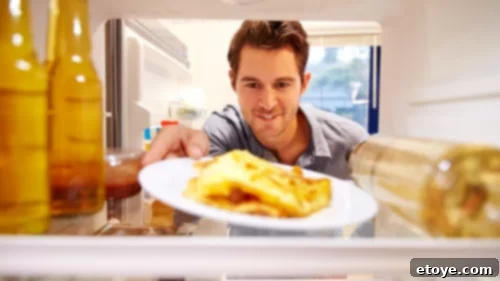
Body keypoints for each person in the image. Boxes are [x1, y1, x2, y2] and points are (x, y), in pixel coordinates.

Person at [142, 20, 373, 237]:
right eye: (253, 84)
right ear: (233, 82)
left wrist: (347, 260)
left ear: (303, 84)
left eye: (282, 84)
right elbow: (186, 213)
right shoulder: (225, 133)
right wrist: (176, 172)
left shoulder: (349, 142)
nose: (267, 103)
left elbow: (385, 215)